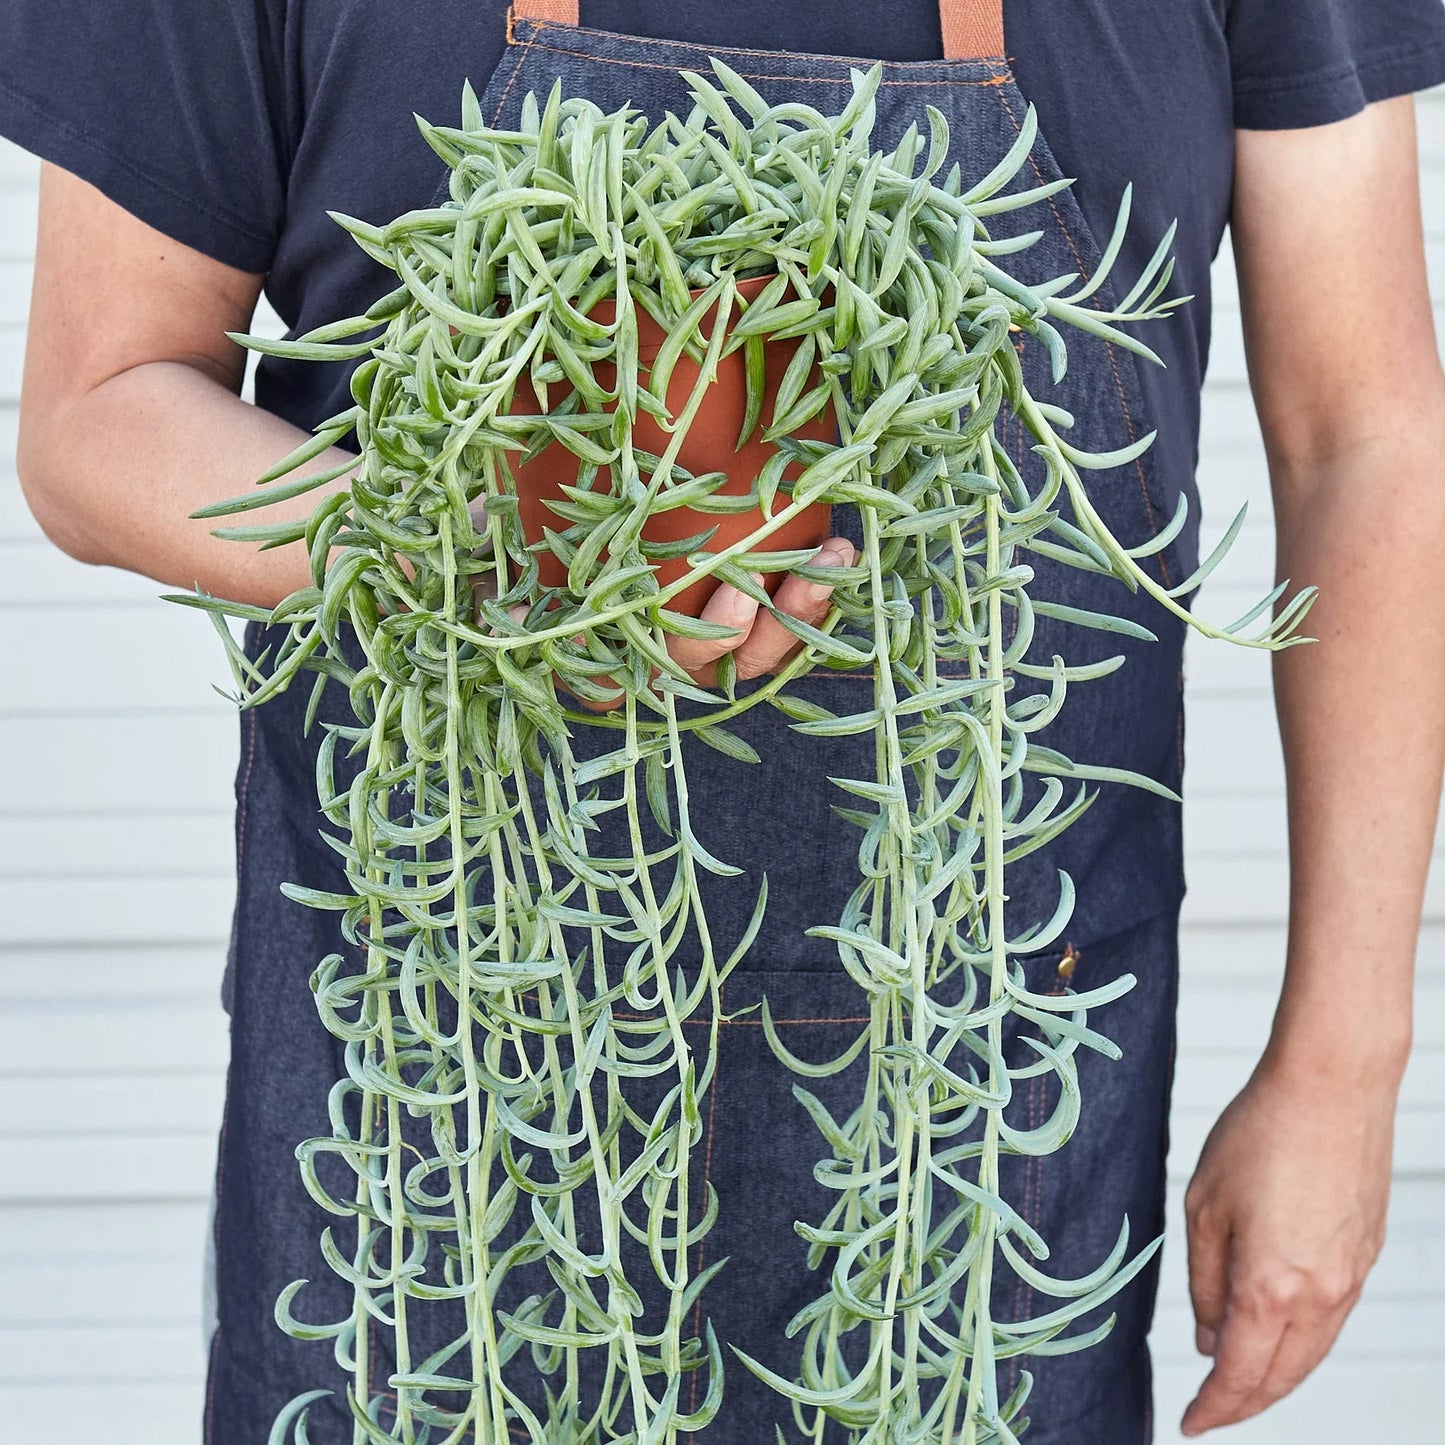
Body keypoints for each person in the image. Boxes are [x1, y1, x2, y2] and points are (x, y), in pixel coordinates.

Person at [5, 1, 1445, 1440]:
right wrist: (472, 561)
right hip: (436, 1090)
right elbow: (98, 405)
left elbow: (1361, 431)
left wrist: (1340, 1062)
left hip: (969, 1105)